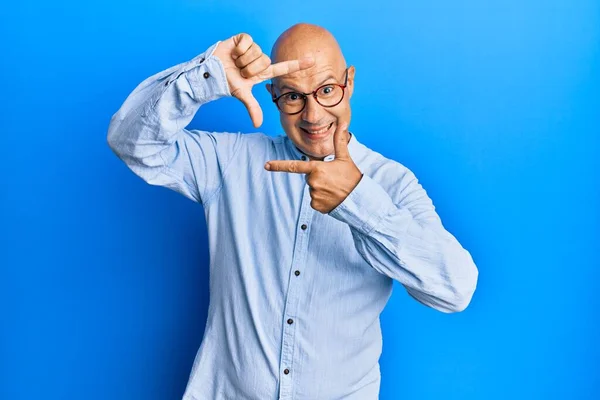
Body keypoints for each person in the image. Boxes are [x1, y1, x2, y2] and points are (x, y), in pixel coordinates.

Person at [107, 23, 478, 400]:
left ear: (349, 83)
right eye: (293, 97)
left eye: (327, 90)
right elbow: (131, 143)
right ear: (272, 96)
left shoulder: (391, 183)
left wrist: (357, 200)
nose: (313, 115)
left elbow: (454, 289)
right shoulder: (232, 161)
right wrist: (206, 77)